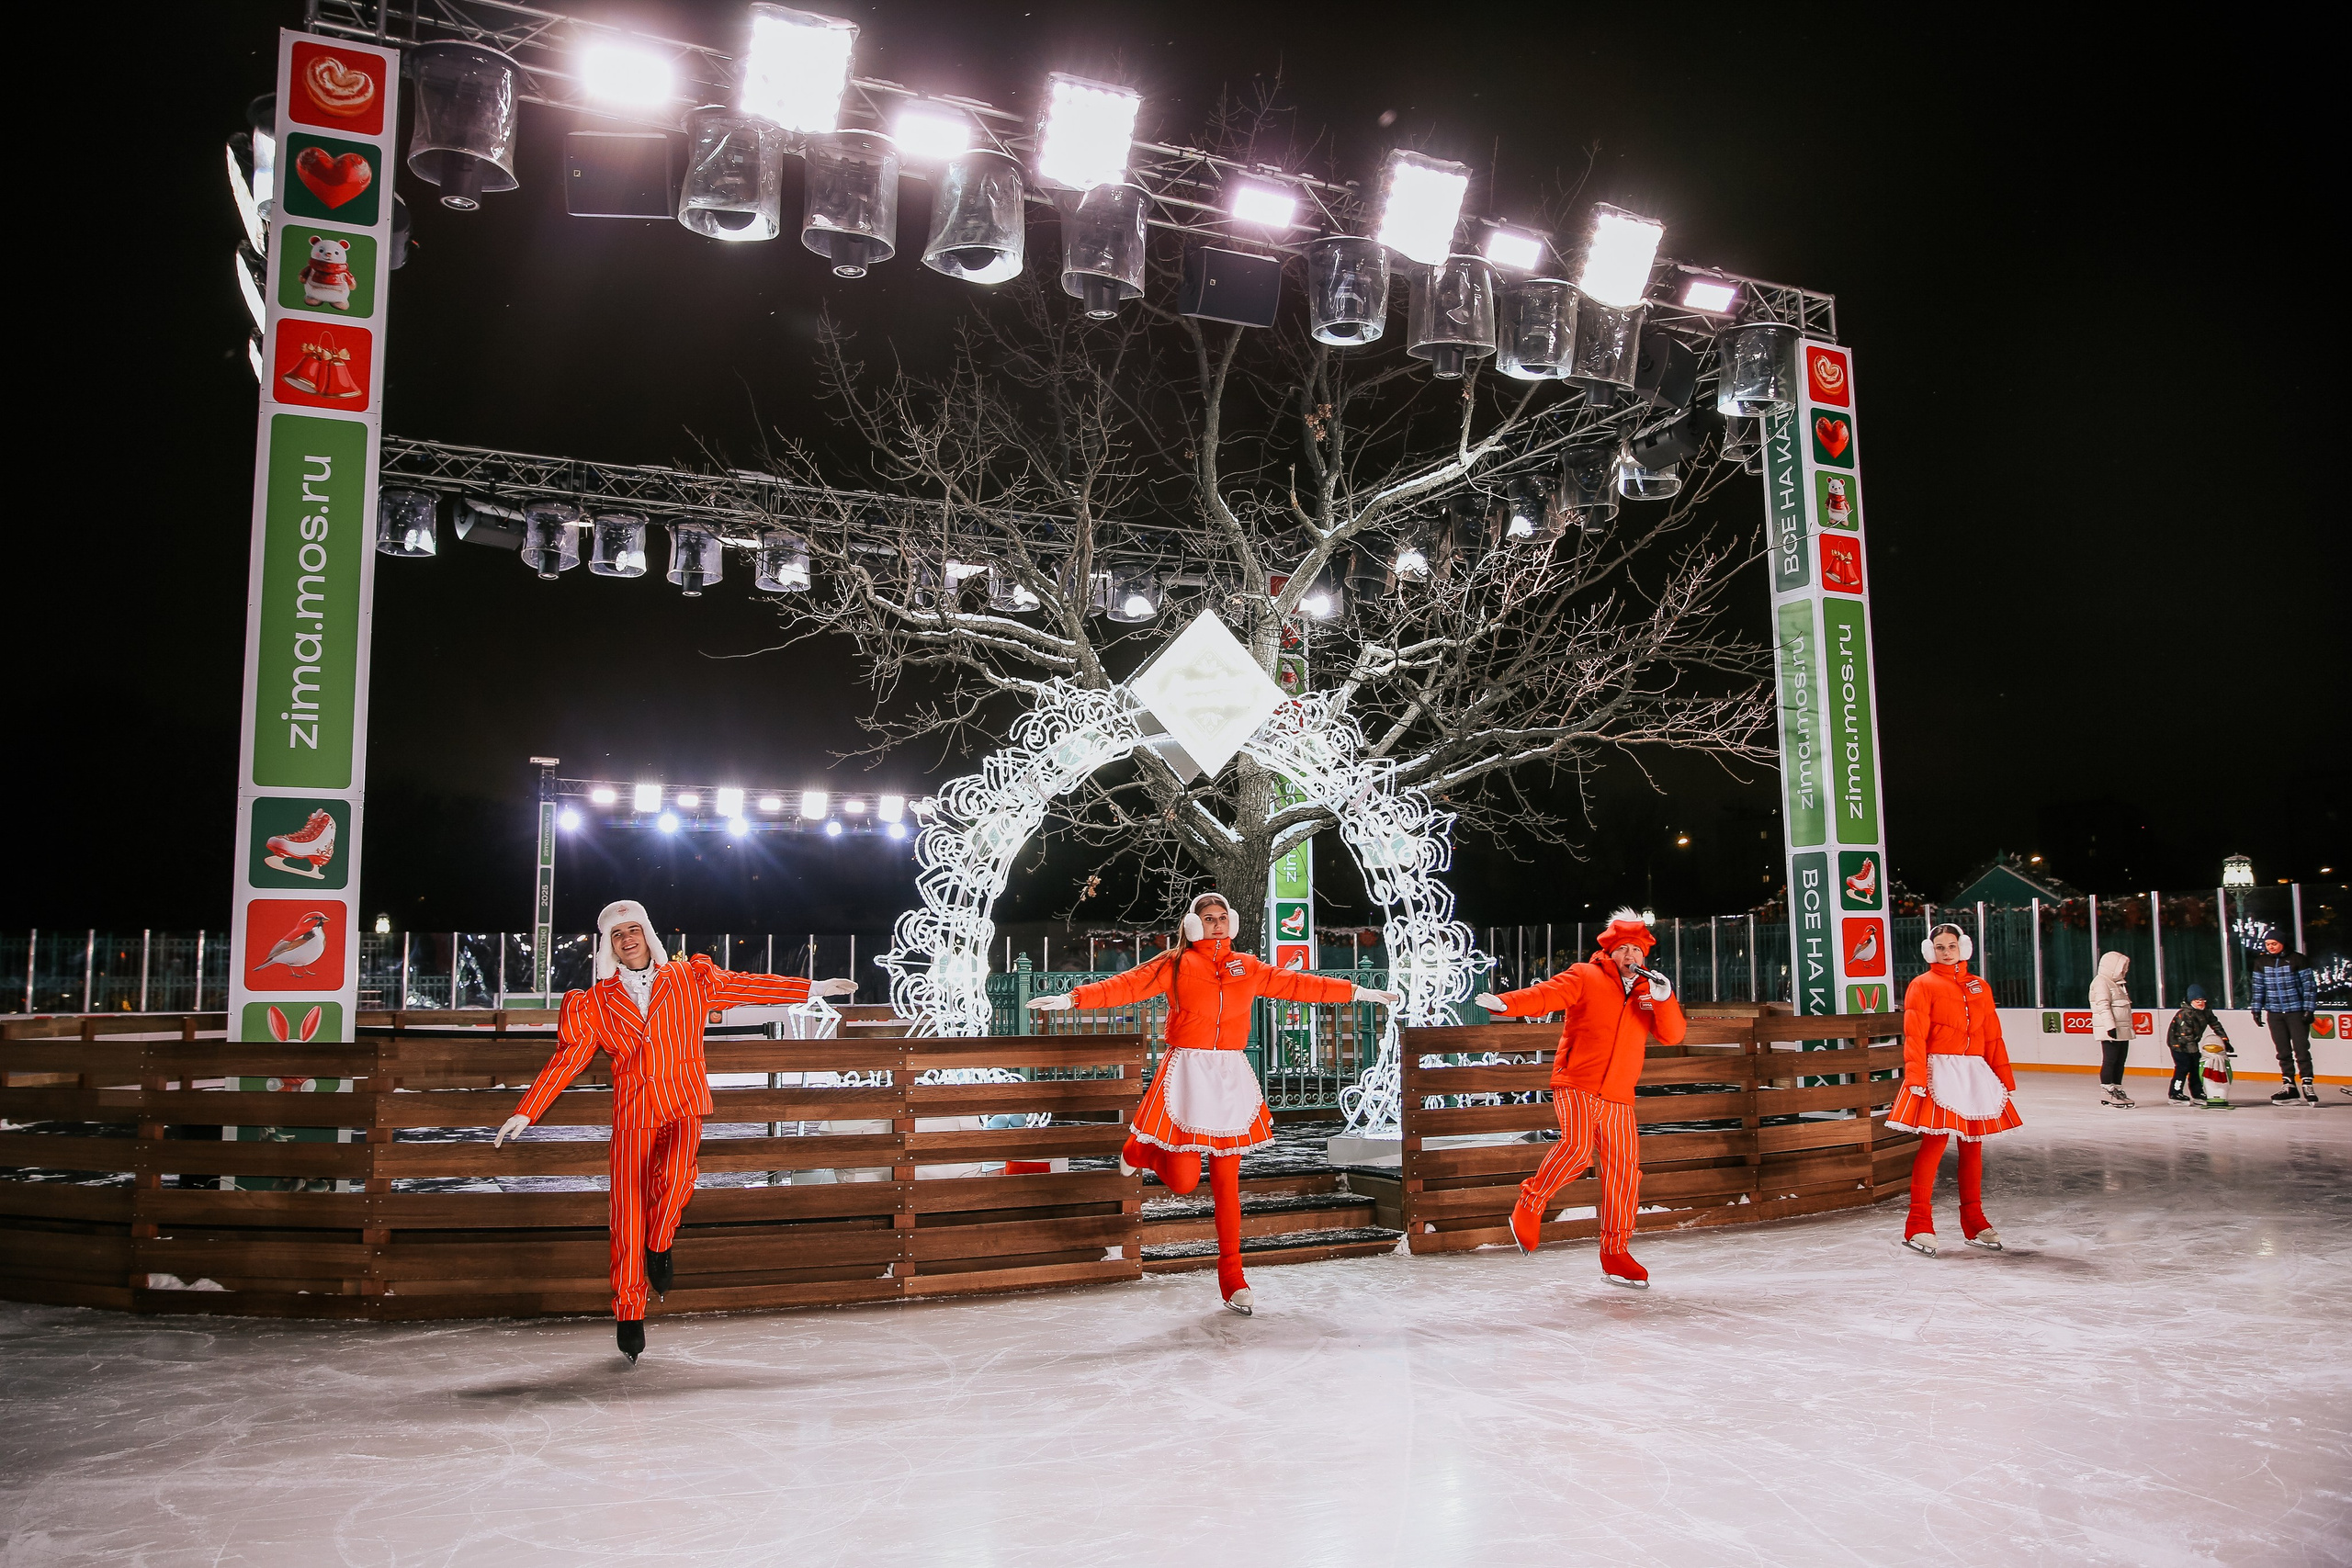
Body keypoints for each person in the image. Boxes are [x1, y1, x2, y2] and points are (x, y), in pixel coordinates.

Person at [493, 900, 857, 1362]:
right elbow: (569, 1057)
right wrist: (527, 1111)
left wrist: (812, 987)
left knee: (677, 1180)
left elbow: (746, 985)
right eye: (617, 934)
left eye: (633, 929)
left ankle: (661, 1243)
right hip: (634, 1115)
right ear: (609, 946)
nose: (627, 939)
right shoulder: (593, 1002)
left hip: (684, 1104)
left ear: (647, 934)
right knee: (626, 1214)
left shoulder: (689, 979)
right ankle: (629, 1312)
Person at [1028, 892, 1397, 1315]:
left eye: (1222, 917)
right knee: (1184, 1181)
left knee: (1227, 1185)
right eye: (1208, 917)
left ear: (1232, 922)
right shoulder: (1175, 963)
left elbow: (1300, 984)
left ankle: (1233, 1278)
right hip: (1187, 1072)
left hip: (1229, 1076)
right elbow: (1126, 985)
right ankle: (1140, 1151)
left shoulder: (1248, 967)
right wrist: (1072, 999)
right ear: (1192, 925)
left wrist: (1358, 992)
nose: (1217, 924)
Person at [1476, 908, 1688, 1290]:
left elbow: (1672, 1036)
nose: (1630, 956)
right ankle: (1531, 1203)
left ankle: (1615, 1250)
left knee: (1625, 1172)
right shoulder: (1586, 975)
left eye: (1636, 950)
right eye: (1623, 949)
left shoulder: (1648, 992)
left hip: (1619, 1094)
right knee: (1576, 1149)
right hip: (1577, 1082)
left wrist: (1665, 997)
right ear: (1610, 951)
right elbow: (1547, 995)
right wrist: (1507, 1004)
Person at [1888, 921, 2020, 1257]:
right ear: (1930, 951)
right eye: (1940, 947)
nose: (1946, 953)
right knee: (1934, 1144)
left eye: (1951, 946)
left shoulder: (1980, 986)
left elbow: (1992, 1034)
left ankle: (1974, 1221)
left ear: (1963, 947)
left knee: (1973, 1146)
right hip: (1940, 1072)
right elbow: (1915, 1035)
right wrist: (1916, 1078)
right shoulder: (1922, 985)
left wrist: (2002, 1077)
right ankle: (1918, 1223)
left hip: (1973, 1071)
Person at [2247, 934, 2320, 1106]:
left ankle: (2307, 1083)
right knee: (2283, 1051)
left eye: (2274, 943)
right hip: (2274, 1013)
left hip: (2296, 1011)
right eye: (2267, 944)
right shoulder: (2262, 962)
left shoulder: (2297, 959)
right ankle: (2289, 1086)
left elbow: (2309, 986)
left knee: (2301, 1049)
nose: (2270, 947)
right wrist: (2256, 1009)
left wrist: (2309, 1009)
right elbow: (2258, 987)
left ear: (2282, 943)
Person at [2165, 985, 2233, 1105]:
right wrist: (2194, 1053)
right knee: (2183, 1068)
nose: (2201, 1003)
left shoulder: (2206, 1011)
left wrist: (2225, 1040)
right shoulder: (2185, 1014)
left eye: (2203, 1000)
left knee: (2196, 1069)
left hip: (2192, 1042)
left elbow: (2216, 1024)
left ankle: (2198, 1093)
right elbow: (2185, 1035)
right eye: (2197, 1001)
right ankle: (2175, 1093)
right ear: (2191, 1001)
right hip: (2178, 1045)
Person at [2086, 950, 2136, 1107]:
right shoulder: (2101, 982)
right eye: (2122, 968)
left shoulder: (2118, 984)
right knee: (2110, 1060)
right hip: (2111, 1029)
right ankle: (2107, 1091)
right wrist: (2110, 1027)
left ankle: (2117, 1089)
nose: (2124, 971)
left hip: (2122, 1029)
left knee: (2120, 1061)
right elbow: (2103, 1005)